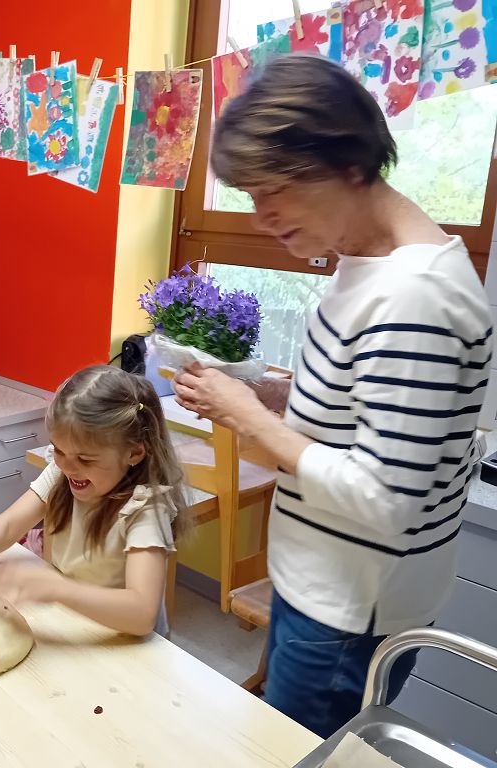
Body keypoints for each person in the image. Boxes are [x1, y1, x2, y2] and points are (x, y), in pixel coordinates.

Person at [173, 54, 493, 737]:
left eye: (273, 192)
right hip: (323, 589)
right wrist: (264, 390)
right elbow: (360, 414)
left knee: (298, 750)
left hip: (347, 616)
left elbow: (385, 501)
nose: (260, 218)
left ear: (346, 163)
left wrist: (249, 418)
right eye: (250, 196)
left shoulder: (415, 296)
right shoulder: (369, 265)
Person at [0, 366, 190, 636]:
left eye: (85, 459)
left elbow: (142, 614)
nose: (68, 467)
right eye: (59, 450)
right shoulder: (61, 473)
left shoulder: (146, 509)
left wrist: (57, 588)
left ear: (134, 453)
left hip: (128, 642)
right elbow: (9, 524)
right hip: (76, 621)